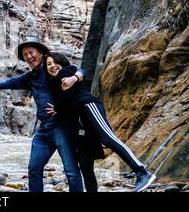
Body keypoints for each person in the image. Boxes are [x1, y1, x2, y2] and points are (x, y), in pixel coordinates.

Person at [0, 38, 85, 192]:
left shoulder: (52, 70)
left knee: (71, 171)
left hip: (62, 126)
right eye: (25, 54)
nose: (28, 56)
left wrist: (74, 79)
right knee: (34, 168)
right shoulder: (29, 77)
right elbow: (8, 83)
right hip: (44, 130)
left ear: (41, 53)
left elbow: (80, 70)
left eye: (31, 52)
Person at [44, 52, 156, 192]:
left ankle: (142, 173)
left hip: (89, 107)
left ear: (62, 63)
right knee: (85, 163)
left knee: (108, 138)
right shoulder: (54, 83)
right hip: (81, 124)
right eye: (49, 64)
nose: (53, 66)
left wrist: (60, 102)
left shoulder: (67, 72)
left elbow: (75, 82)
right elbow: (65, 102)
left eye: (55, 62)